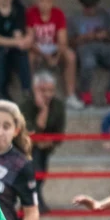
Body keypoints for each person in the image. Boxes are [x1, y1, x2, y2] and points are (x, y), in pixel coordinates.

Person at [26, 0, 82, 110]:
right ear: (36, 0)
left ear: (53, 1)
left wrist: (56, 57)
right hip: (37, 48)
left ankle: (70, 95)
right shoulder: (30, 13)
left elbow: (62, 41)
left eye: (48, 1)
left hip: (54, 47)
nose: (44, 4)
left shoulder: (58, 14)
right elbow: (30, 40)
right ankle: (31, 93)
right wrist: (44, 55)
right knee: (28, 57)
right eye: (41, 0)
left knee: (70, 56)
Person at [68, 0, 110, 107]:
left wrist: (104, 35)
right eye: (87, 7)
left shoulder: (104, 15)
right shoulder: (74, 18)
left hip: (104, 47)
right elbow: (70, 42)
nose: (90, 10)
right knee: (88, 63)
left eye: (93, 7)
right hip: (85, 48)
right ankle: (85, 92)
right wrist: (86, 37)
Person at [20, 72, 67, 212]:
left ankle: (33, 202)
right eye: (43, 90)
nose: (47, 94)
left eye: (50, 90)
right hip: (24, 148)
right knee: (36, 169)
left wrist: (48, 141)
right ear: (35, 89)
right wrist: (43, 111)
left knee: (40, 172)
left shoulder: (58, 106)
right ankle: (36, 203)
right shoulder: (25, 105)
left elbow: (59, 134)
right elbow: (28, 132)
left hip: (46, 147)